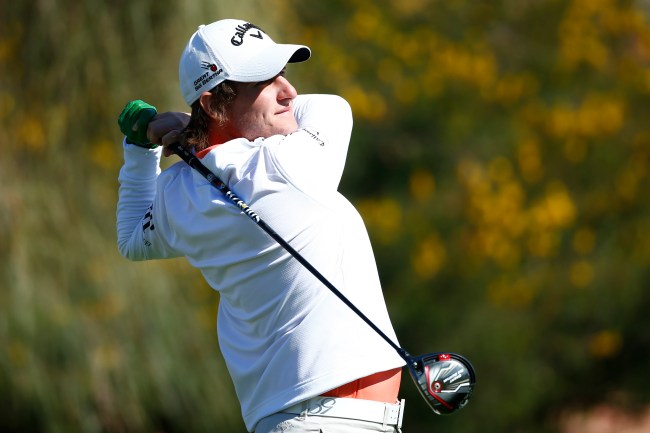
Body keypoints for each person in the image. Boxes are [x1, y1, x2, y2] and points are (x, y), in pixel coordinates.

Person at [116, 18, 406, 433]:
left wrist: (141, 144)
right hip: (328, 420)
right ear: (213, 104)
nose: (289, 91)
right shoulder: (284, 162)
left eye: (282, 74)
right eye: (264, 82)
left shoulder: (177, 192)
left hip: (299, 419)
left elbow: (132, 237)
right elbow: (334, 106)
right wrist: (189, 129)